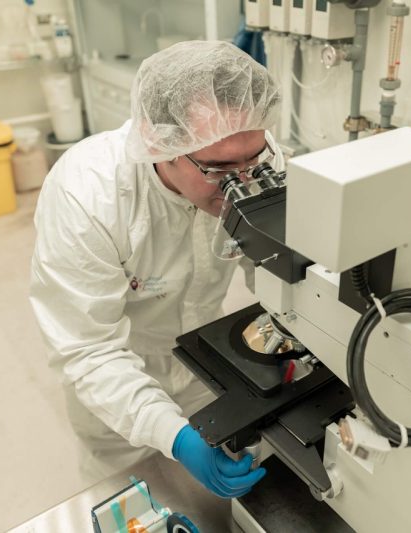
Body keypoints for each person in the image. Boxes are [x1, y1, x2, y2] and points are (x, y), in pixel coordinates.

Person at [29, 41, 284, 499]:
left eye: (253, 160)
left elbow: (275, 266)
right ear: (159, 144)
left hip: (210, 368)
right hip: (119, 387)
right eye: (218, 169)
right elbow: (88, 351)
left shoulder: (254, 156)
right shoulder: (88, 195)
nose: (241, 183)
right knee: (131, 502)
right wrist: (174, 436)